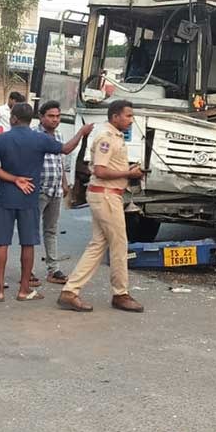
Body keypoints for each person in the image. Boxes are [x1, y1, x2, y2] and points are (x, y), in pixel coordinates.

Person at [0, 104, 93, 303]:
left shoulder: (3, 139)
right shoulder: (41, 138)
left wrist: (13, 178)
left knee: (2, 242)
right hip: (30, 196)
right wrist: (82, 132)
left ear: (14, 119)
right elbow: (66, 149)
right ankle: (24, 290)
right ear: (32, 118)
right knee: (28, 243)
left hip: (6, 196)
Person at [57, 100, 145, 313]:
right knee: (119, 245)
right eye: (128, 116)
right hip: (106, 196)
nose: (131, 120)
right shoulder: (106, 137)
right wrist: (128, 173)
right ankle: (120, 294)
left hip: (105, 195)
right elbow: (100, 170)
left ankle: (70, 291)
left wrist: (127, 170)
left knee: (97, 245)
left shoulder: (114, 135)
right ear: (115, 117)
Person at [35, 101, 90, 284]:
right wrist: (81, 133)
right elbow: (66, 149)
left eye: (58, 116)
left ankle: (53, 269)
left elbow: (59, 160)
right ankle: (28, 269)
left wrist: (64, 183)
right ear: (41, 117)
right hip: (39, 189)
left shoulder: (57, 133)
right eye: (51, 116)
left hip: (55, 189)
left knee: (51, 230)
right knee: (31, 231)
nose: (55, 120)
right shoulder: (35, 135)